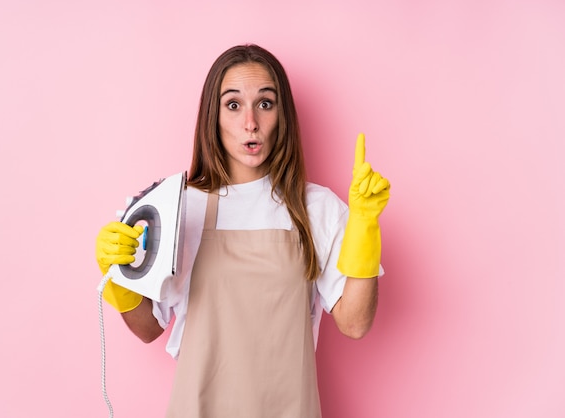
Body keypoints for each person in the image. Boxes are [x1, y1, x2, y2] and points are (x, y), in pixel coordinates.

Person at [95, 44, 390, 417]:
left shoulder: (316, 208)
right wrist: (118, 278)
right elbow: (149, 327)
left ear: (283, 115)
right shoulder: (178, 206)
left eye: (265, 104)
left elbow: (355, 322)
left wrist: (364, 225)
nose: (250, 122)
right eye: (233, 105)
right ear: (212, 117)